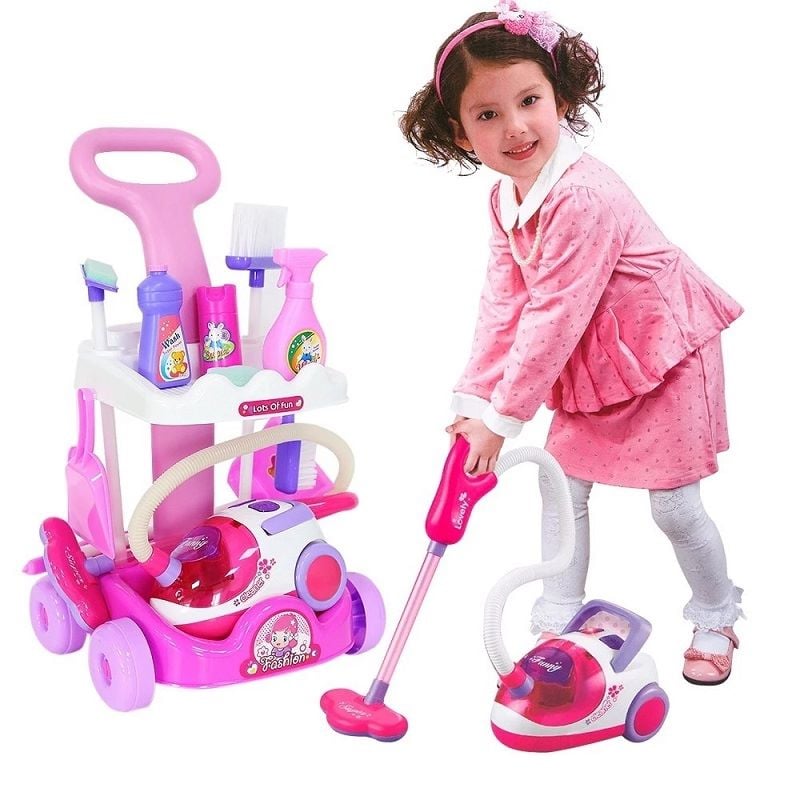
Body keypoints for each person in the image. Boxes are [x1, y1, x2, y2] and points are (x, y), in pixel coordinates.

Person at [400, 1, 743, 685]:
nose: (515, 127)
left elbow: (554, 313)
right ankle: (558, 615)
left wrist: (503, 419)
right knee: (561, 486)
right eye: (487, 114)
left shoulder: (582, 197)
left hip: (661, 354)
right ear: (461, 133)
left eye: (529, 101)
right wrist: (474, 401)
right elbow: (505, 303)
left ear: (560, 99)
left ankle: (717, 612)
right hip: (594, 360)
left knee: (674, 507)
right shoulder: (505, 198)